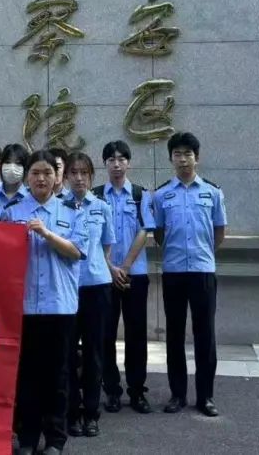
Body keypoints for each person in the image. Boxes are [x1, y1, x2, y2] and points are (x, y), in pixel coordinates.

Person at [3, 150, 89, 455]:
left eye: (47, 173)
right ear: (27, 177)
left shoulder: (72, 211)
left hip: (59, 306)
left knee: (59, 375)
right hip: (24, 306)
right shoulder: (12, 213)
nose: (41, 178)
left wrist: (46, 233)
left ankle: (55, 439)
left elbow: (76, 251)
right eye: (35, 173)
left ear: (57, 177)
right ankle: (27, 437)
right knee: (26, 375)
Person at [152, 132, 227, 417]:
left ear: (197, 157)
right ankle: (177, 394)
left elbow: (219, 231)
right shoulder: (161, 195)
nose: (182, 159)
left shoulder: (212, 192)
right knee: (174, 334)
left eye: (187, 154)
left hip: (202, 271)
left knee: (205, 335)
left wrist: (202, 253)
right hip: (173, 272)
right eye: (177, 154)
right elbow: (159, 234)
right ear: (171, 159)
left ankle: (205, 396)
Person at [96, 140, 155, 414]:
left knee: (136, 334)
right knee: (105, 335)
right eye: (111, 159)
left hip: (135, 275)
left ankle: (137, 390)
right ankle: (111, 390)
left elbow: (145, 231)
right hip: (104, 276)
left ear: (128, 163)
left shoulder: (141, 195)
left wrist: (126, 266)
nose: (116, 164)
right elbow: (93, 237)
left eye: (121, 159)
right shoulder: (96, 196)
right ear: (105, 164)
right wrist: (110, 267)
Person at [64, 151, 115, 439]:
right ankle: (72, 412)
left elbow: (106, 247)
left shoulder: (102, 207)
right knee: (68, 353)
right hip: (67, 288)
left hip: (97, 286)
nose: (79, 178)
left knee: (95, 352)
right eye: (74, 172)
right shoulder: (58, 207)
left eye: (84, 173)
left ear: (92, 177)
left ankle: (91, 413)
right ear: (66, 177)